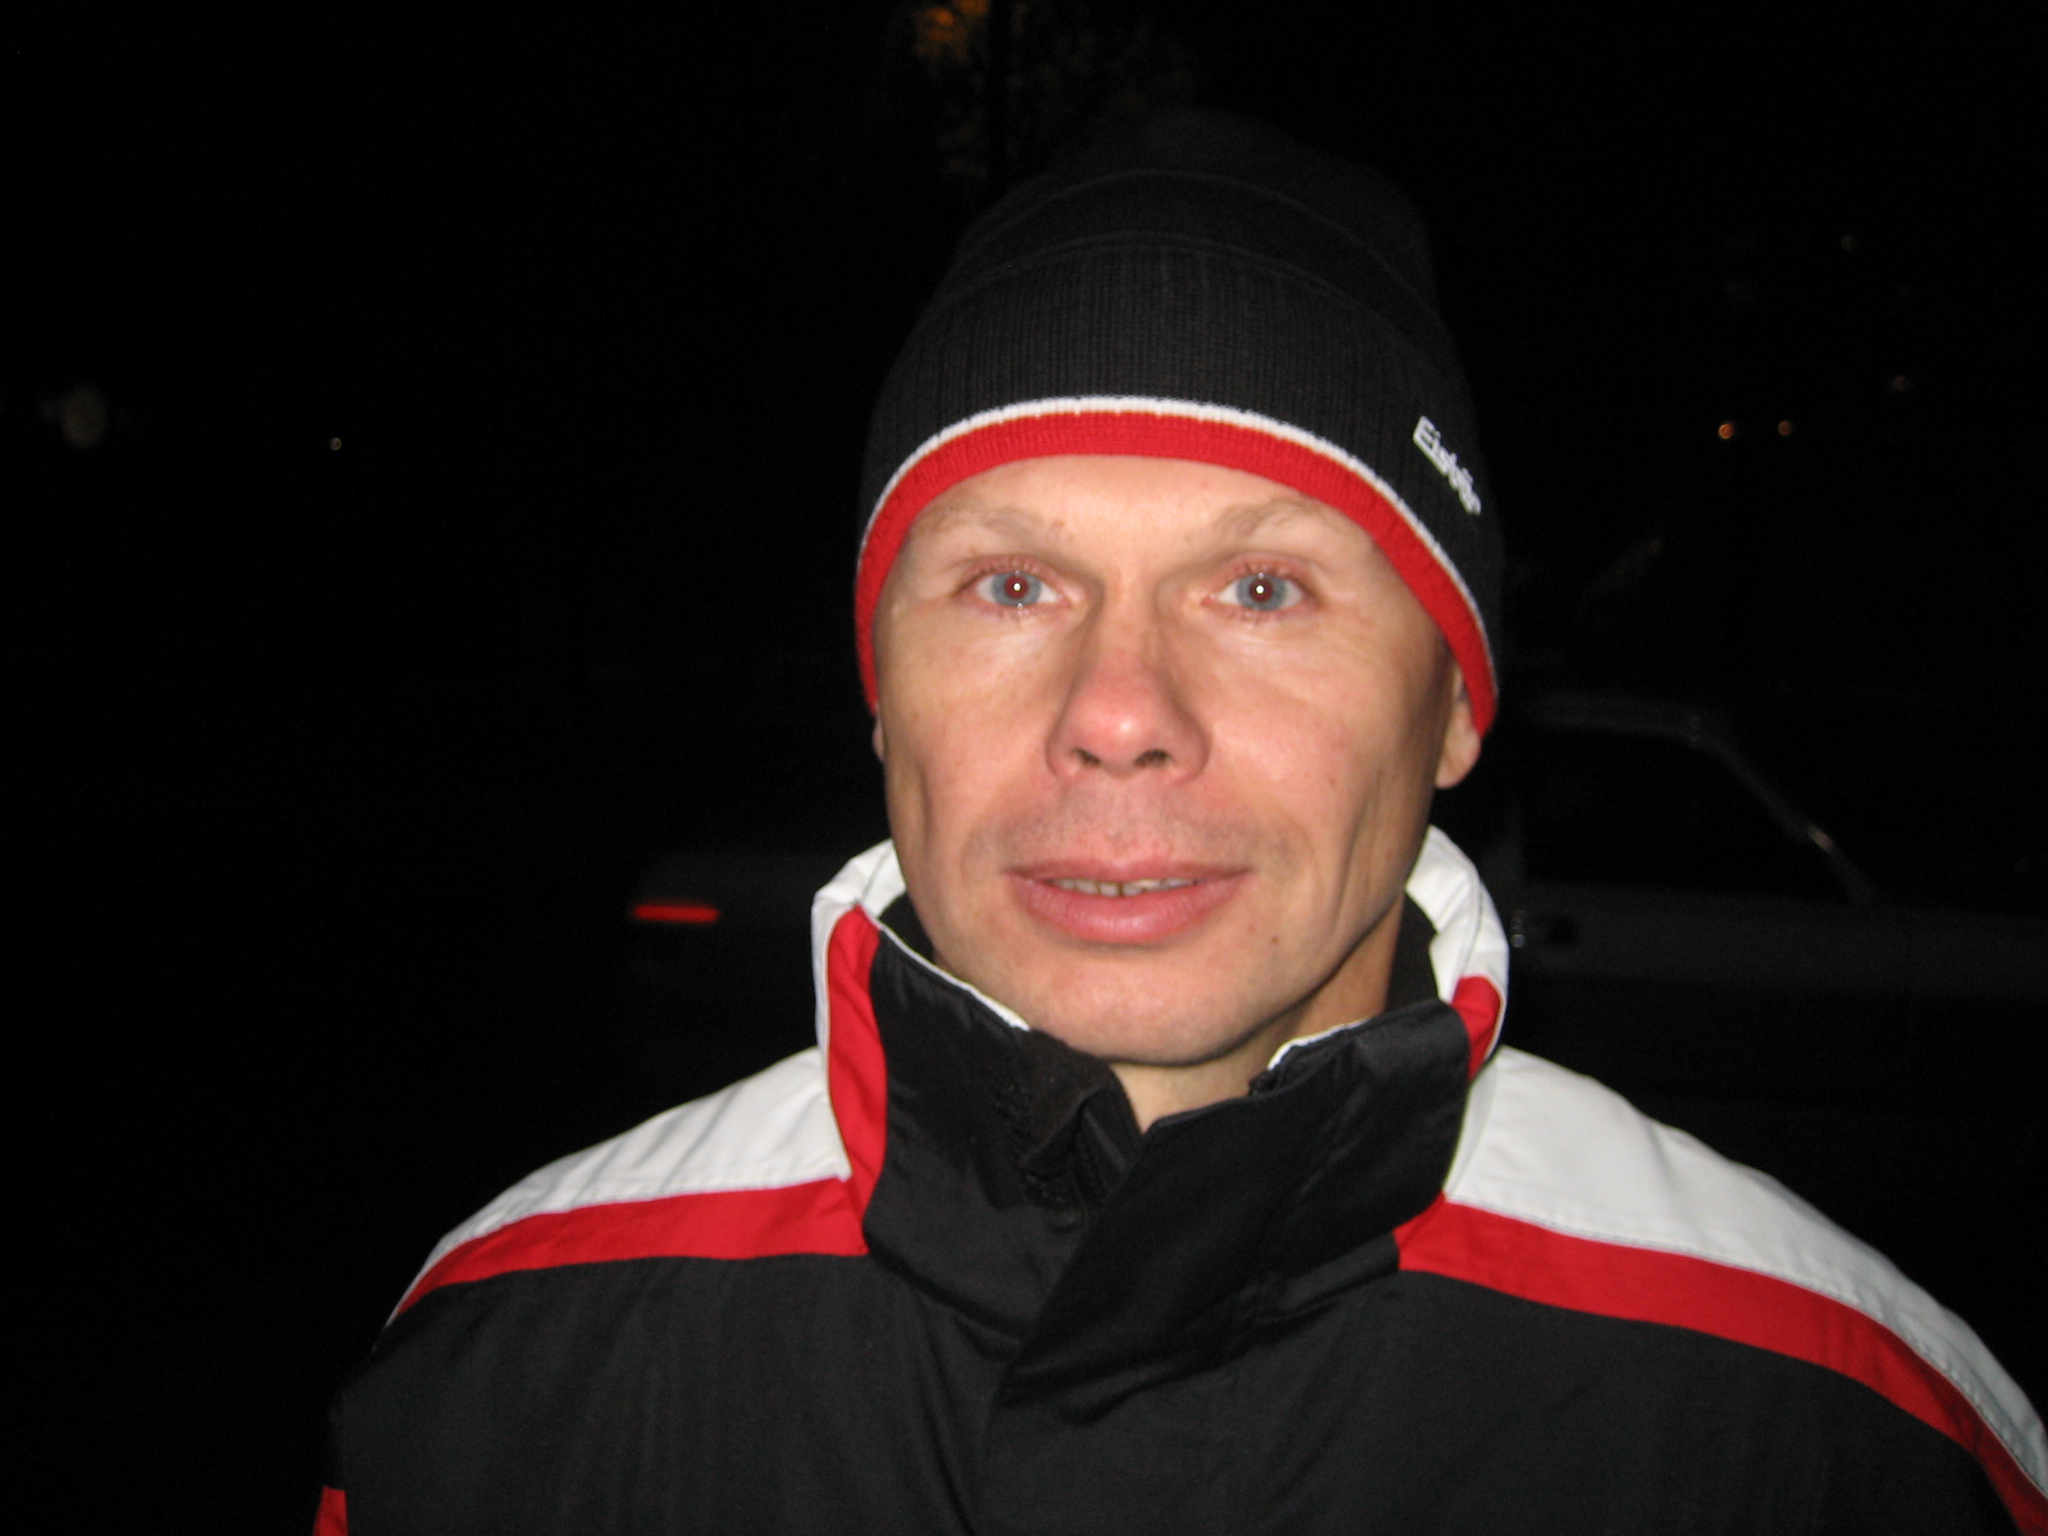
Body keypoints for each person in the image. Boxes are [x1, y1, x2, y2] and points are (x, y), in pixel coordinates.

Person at [315, 110, 2046, 1534]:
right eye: (1011, 583)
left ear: (1455, 703)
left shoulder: (1844, 1430)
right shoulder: (505, 1367)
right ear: (881, 690)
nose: (1121, 712)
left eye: (1263, 589)